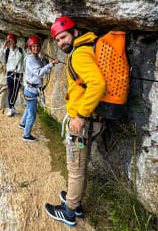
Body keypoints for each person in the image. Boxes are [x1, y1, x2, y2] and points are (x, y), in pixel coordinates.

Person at [44, 16, 106, 226]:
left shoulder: (79, 54)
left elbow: (97, 84)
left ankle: (70, 211)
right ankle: (74, 200)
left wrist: (80, 116)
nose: (61, 42)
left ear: (75, 32)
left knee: (76, 168)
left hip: (82, 123)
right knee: (78, 165)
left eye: (64, 36)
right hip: (86, 120)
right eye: (58, 40)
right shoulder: (85, 48)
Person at [19, 36, 58, 142]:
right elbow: (39, 73)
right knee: (32, 114)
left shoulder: (35, 58)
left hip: (31, 89)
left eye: (37, 46)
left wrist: (45, 61)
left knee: (28, 108)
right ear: (30, 48)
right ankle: (26, 135)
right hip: (31, 90)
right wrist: (51, 64)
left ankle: (22, 124)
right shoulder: (31, 59)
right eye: (33, 46)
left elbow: (42, 69)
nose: (36, 48)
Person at [0, 33, 25, 117]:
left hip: (19, 74)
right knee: (11, 90)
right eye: (9, 41)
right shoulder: (7, 51)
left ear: (15, 41)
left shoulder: (20, 50)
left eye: (12, 40)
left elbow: (25, 59)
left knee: (16, 91)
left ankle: (12, 107)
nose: (11, 42)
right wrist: (4, 46)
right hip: (10, 73)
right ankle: (10, 108)